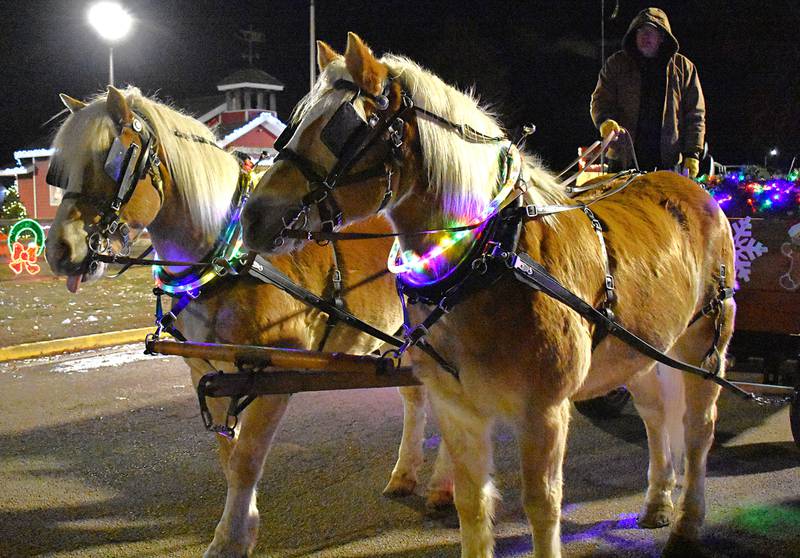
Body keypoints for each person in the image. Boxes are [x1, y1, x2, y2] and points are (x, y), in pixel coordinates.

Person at [590, 7, 705, 177]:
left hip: (667, 162)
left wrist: (692, 154)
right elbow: (600, 100)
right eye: (641, 30)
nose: (645, 35)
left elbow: (695, 114)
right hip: (623, 160)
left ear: (662, 37)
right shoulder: (616, 64)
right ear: (634, 35)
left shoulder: (683, 68)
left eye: (651, 31)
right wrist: (605, 122)